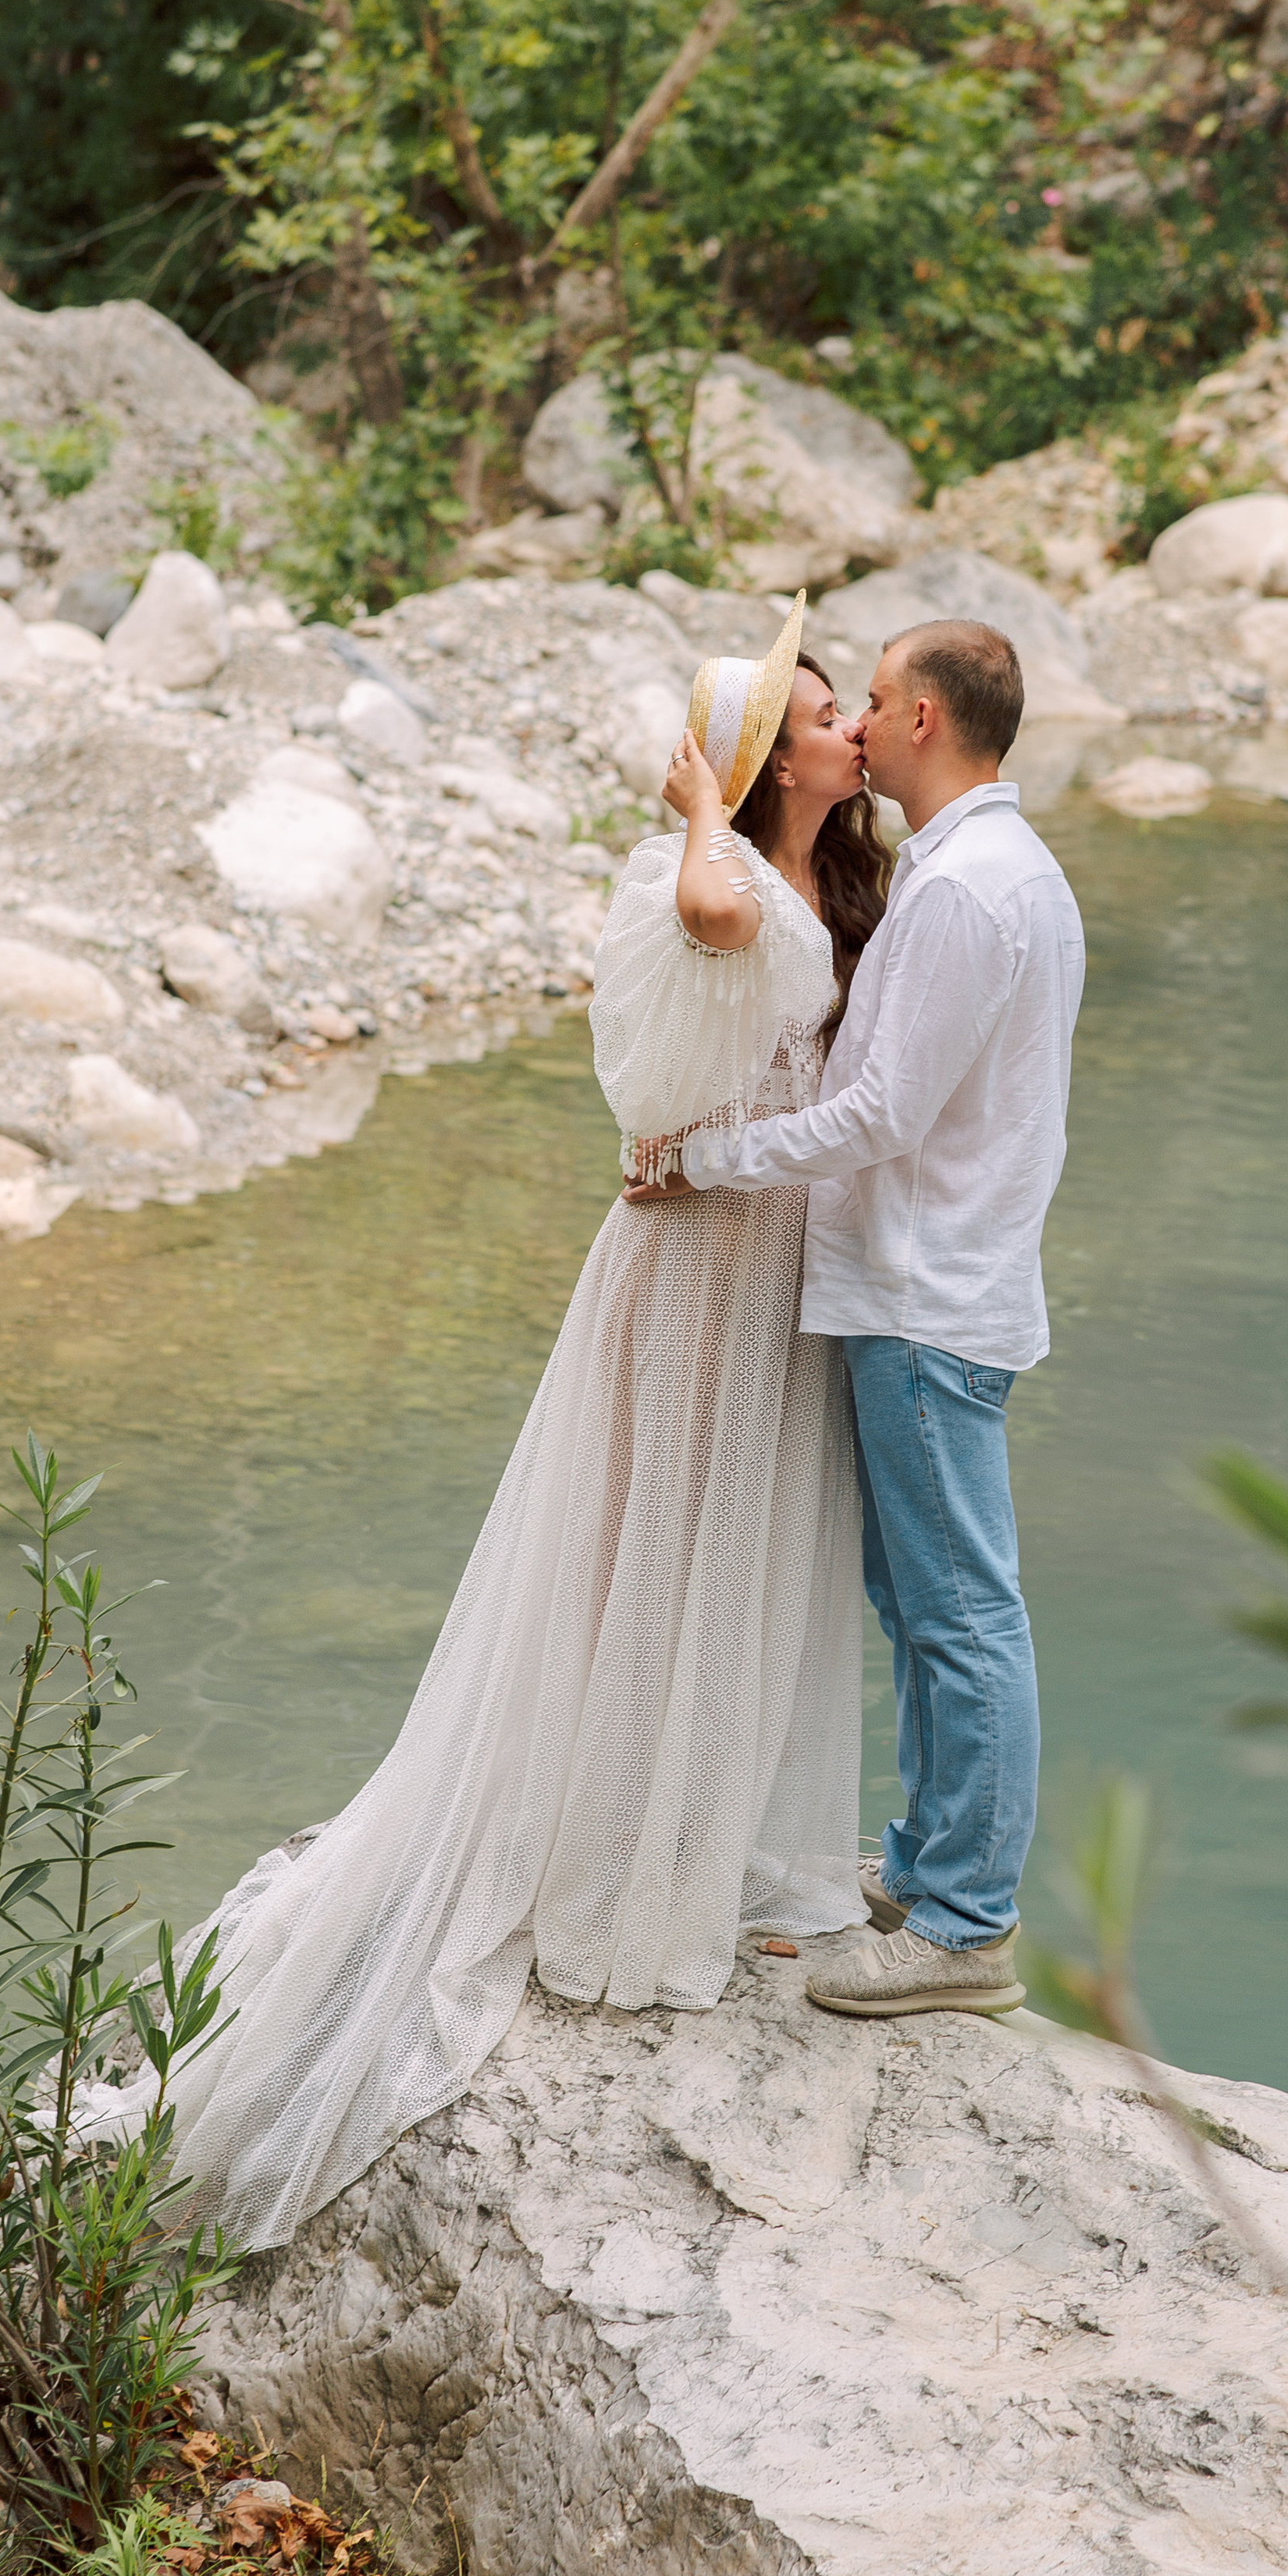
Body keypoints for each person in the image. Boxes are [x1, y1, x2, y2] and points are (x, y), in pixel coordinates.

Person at [149, 597, 892, 2253]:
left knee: (746, 1551)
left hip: (781, 1256)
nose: (854, 734)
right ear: (768, 756)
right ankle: (605, 1870)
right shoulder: (706, 870)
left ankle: (689, 1847)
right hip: (690, 1258)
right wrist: (703, 799)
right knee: (643, 1549)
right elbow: (712, 915)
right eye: (826, 718)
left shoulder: (848, 881)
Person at [623, 617, 1085, 2023]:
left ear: (928, 722)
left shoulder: (964, 893)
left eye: (874, 702)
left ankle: (963, 1928)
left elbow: (882, 1114)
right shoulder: (985, 872)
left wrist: (706, 1160)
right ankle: (934, 1865)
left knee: (959, 1614)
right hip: (925, 1284)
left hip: (925, 1294)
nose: (862, 725)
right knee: (923, 1602)